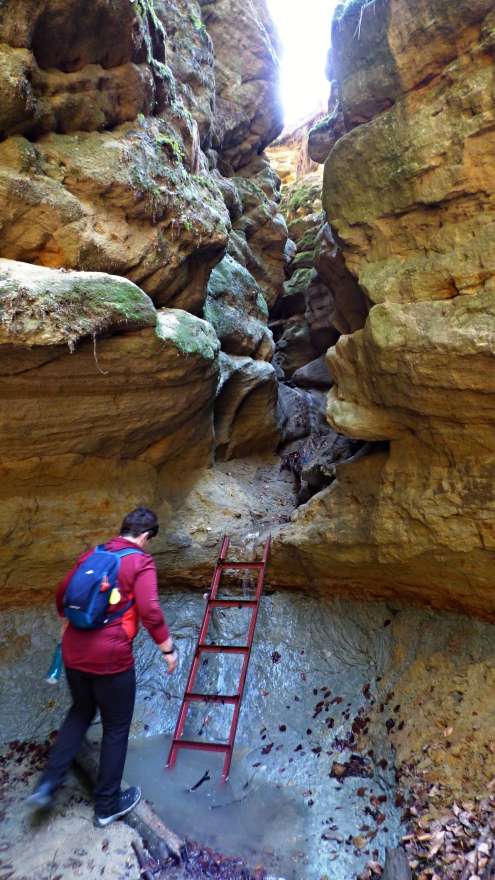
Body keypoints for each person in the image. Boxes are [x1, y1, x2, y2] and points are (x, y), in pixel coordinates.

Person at [27, 507, 177, 827]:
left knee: (80, 712)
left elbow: (61, 594)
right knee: (117, 728)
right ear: (146, 536)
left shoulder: (92, 554)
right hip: (110, 657)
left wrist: (72, 622)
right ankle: (107, 805)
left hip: (74, 651)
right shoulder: (140, 561)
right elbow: (150, 609)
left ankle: (47, 785)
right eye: (150, 539)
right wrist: (168, 649)